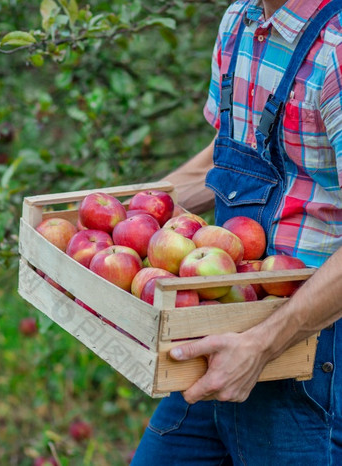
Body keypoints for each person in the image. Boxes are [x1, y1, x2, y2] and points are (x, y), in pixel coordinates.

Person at [131, 0, 342, 463]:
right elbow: (230, 153)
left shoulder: (336, 51)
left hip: (310, 346)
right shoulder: (240, 21)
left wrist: (261, 346)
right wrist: (133, 216)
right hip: (226, 321)